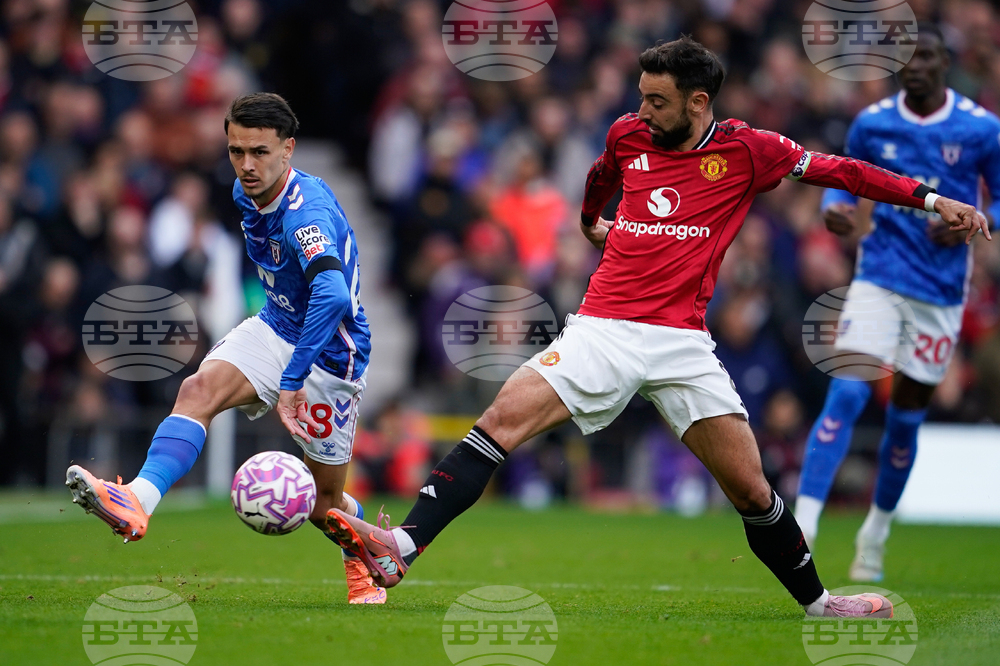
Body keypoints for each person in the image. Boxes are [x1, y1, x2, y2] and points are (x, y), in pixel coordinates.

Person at [326, 37, 989, 618]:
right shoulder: (627, 135)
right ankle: (401, 548)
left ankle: (820, 604)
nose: (642, 111)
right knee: (499, 421)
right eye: (641, 97)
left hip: (682, 344)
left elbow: (844, 171)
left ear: (698, 103)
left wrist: (933, 199)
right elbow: (599, 177)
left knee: (752, 489)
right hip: (603, 328)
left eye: (657, 101)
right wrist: (590, 221)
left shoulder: (748, 150)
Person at [66, 93, 386, 605]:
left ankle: (368, 557)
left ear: (288, 149)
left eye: (260, 152)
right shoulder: (244, 191)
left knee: (324, 506)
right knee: (198, 389)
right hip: (275, 324)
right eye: (237, 151)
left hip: (329, 352)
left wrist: (292, 379)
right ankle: (137, 500)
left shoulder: (306, 213)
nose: (247, 165)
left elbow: (332, 296)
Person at [794, 24, 1000, 581]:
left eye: (927, 57)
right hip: (878, 276)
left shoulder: (981, 128)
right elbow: (843, 179)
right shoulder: (872, 122)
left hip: (939, 293)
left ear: (944, 64)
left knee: (905, 422)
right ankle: (803, 526)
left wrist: (973, 225)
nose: (916, 66)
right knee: (846, 391)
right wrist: (835, 211)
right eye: (907, 57)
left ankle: (875, 535)